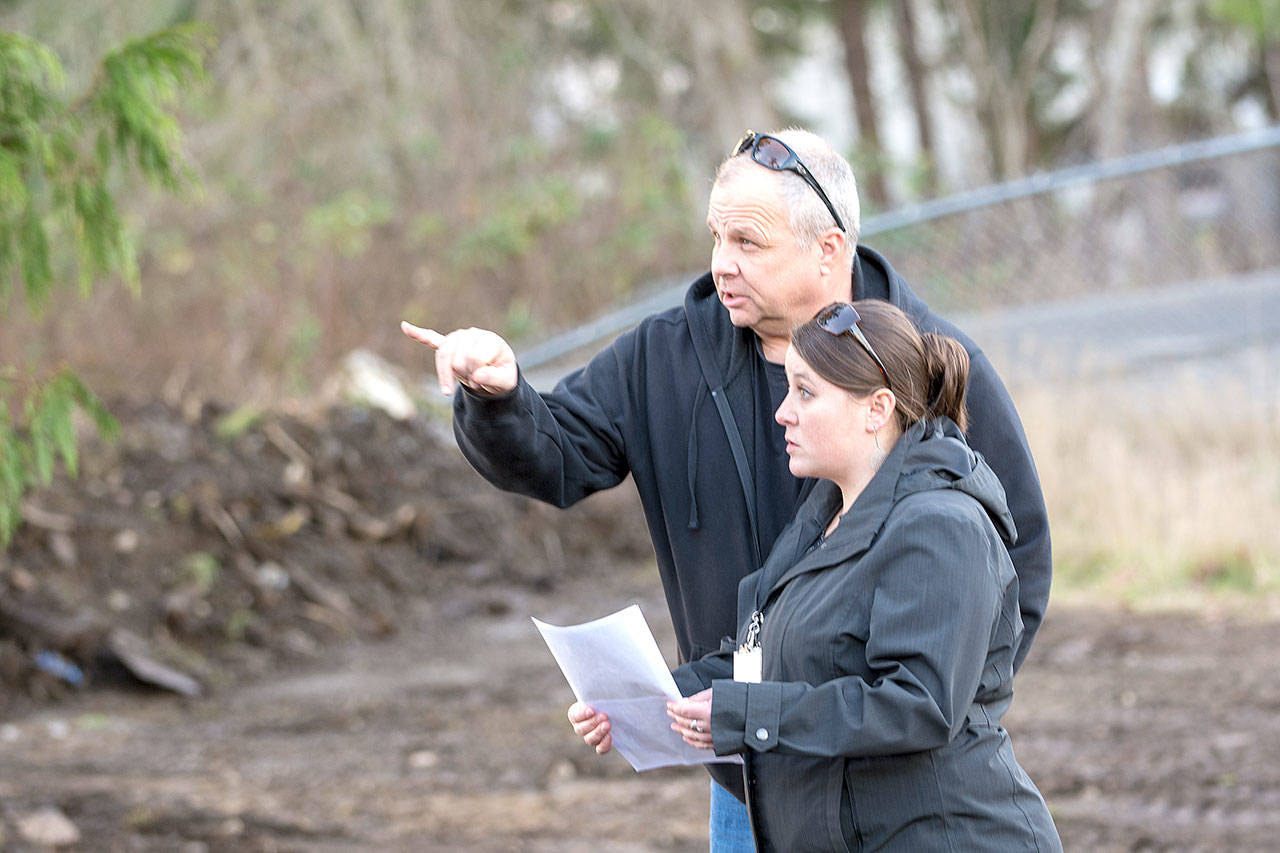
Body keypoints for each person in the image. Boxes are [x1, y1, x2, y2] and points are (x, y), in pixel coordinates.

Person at [401, 128, 1052, 850]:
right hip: (747, 785)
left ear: (828, 249)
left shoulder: (925, 367)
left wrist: (932, 712)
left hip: (899, 800)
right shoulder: (663, 358)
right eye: (715, 237)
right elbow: (553, 454)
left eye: (747, 241)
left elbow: (1007, 574)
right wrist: (499, 396)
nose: (721, 265)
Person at [574, 300, 1061, 851]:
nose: (783, 412)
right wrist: (641, 702)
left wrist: (750, 715)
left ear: (877, 408)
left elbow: (917, 705)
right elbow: (765, 657)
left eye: (805, 393)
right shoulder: (822, 518)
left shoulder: (941, 526)